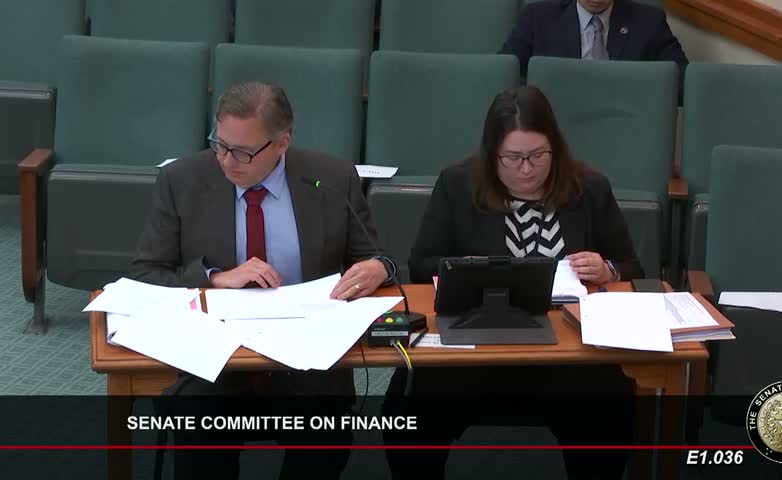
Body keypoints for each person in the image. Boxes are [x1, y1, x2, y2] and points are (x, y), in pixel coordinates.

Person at [130, 81, 396, 479]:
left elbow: (377, 257)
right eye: (219, 145)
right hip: (217, 362)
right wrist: (216, 278)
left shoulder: (333, 178)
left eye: (242, 152)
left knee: (325, 440)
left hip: (308, 363)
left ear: (282, 143)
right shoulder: (182, 179)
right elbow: (144, 275)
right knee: (199, 437)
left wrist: (379, 268)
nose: (227, 161)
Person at [383, 85, 642, 479]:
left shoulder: (589, 188)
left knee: (610, 406)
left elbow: (632, 265)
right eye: (513, 158)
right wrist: (459, 266)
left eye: (538, 155)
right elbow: (420, 265)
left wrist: (608, 269)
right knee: (406, 407)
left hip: (568, 356)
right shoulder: (457, 184)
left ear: (555, 147)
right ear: (492, 154)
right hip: (474, 353)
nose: (526, 169)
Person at [500, 0, 688, 82]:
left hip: (624, 122)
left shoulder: (649, 22)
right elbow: (504, 73)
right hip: (556, 124)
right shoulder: (537, 18)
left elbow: (682, 81)